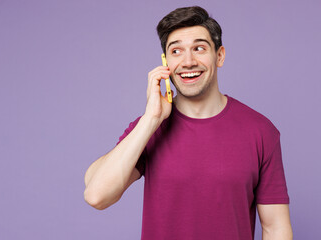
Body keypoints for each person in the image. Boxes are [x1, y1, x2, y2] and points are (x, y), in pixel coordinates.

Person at [84, 6, 293, 240]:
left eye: (199, 48)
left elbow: (276, 228)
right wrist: (151, 118)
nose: (188, 61)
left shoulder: (261, 131)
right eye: (176, 51)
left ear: (220, 55)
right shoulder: (150, 127)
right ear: (165, 62)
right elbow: (97, 195)